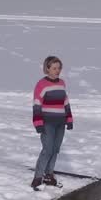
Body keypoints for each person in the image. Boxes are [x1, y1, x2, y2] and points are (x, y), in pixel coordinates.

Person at [31, 55, 73, 190]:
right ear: (47, 69)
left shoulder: (62, 83)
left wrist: (69, 119)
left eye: (59, 68)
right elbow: (37, 105)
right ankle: (38, 177)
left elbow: (65, 102)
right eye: (54, 68)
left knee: (55, 149)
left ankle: (49, 175)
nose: (57, 71)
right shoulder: (41, 84)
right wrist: (38, 123)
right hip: (47, 123)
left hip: (60, 122)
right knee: (47, 150)